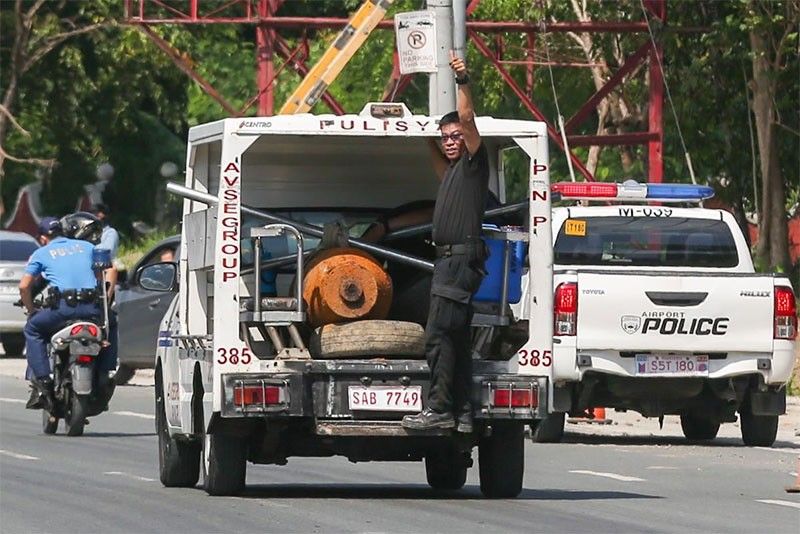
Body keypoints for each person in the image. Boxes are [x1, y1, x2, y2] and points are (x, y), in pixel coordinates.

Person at [402, 52, 489, 432]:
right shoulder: (453, 172)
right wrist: (419, 131)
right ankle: (465, 414)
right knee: (456, 338)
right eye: (445, 138)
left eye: (455, 137)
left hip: (458, 263)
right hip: (451, 262)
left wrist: (462, 80)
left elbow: (467, 119)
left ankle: (437, 409)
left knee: (437, 336)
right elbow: (436, 158)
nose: (450, 142)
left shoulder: (473, 164)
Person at [19, 216, 105, 409]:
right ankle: (105, 372)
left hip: (63, 309)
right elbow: (103, 275)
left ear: (43, 238)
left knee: (33, 329)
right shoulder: (88, 247)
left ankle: (43, 383)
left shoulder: (42, 253)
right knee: (107, 332)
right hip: (91, 309)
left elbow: (24, 286)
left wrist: (31, 310)